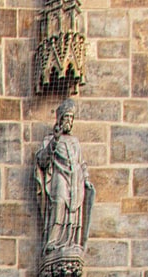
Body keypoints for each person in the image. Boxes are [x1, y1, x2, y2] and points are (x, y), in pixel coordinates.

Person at [35, 100, 93, 259]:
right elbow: (42, 160)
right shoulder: (50, 139)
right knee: (59, 204)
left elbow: (81, 163)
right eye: (66, 118)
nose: (69, 121)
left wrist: (86, 179)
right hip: (59, 177)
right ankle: (52, 241)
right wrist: (55, 140)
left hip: (75, 180)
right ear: (59, 120)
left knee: (73, 210)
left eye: (71, 118)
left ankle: (71, 241)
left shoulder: (75, 142)